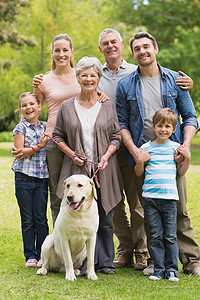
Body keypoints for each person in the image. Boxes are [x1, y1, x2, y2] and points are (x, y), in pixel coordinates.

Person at [97, 28, 194, 270]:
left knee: (179, 208)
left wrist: (184, 147)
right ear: (133, 53)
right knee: (149, 208)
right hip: (143, 156)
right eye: (137, 49)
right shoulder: (126, 84)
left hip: (172, 156)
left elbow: (190, 117)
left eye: (145, 47)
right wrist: (135, 151)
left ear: (155, 49)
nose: (142, 51)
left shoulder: (175, 80)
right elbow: (122, 122)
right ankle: (154, 260)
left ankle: (192, 261)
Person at [52, 56, 123, 275]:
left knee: (105, 215)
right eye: (84, 75)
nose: (89, 79)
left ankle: (105, 263)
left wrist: (107, 156)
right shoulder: (67, 107)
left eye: (93, 75)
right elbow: (57, 136)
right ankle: (80, 263)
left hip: (104, 168)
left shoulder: (107, 104)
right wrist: (72, 154)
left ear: (98, 78)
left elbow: (116, 136)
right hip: (76, 171)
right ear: (78, 78)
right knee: (76, 214)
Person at [135, 108, 191, 281]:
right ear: (153, 126)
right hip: (150, 198)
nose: (163, 129)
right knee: (155, 235)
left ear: (174, 129)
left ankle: (172, 269)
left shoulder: (176, 148)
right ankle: (158, 269)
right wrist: (140, 161)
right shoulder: (146, 148)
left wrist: (187, 158)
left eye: (167, 126)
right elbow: (138, 173)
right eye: (160, 126)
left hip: (169, 199)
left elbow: (181, 172)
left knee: (170, 235)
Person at [11, 92, 49, 267]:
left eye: (32, 104)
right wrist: (39, 146)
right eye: (24, 105)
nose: (28, 107)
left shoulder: (46, 127)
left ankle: (43, 254)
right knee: (27, 219)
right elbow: (20, 154)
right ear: (20, 109)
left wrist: (31, 149)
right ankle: (30, 256)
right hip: (24, 178)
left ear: (40, 106)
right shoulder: (20, 128)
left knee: (41, 218)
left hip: (41, 179)